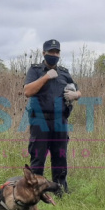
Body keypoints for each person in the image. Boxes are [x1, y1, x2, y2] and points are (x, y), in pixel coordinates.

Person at [23, 39, 81, 196]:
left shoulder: (64, 72)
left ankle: (60, 190)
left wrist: (75, 95)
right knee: (38, 157)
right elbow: (27, 91)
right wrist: (46, 77)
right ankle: (35, 192)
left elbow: (78, 91)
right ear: (44, 53)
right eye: (51, 52)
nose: (54, 55)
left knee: (60, 156)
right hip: (40, 120)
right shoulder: (35, 70)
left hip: (60, 120)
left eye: (57, 52)